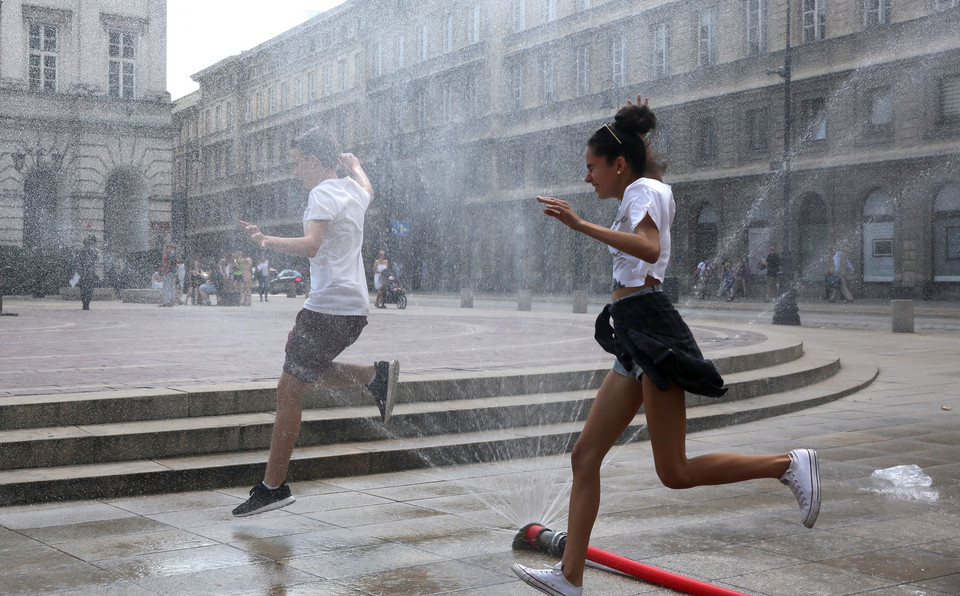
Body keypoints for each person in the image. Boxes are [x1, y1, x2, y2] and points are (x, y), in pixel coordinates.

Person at [511, 97, 820, 596]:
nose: (587, 179)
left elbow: (650, 248)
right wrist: (628, 125)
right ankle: (569, 577)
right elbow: (642, 225)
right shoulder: (643, 187)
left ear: (618, 164)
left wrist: (579, 225)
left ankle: (788, 464)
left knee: (673, 471)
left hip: (650, 326)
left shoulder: (642, 191)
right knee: (585, 456)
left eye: (591, 168)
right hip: (633, 330)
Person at [234, 128, 399, 517]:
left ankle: (272, 487)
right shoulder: (352, 191)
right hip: (352, 309)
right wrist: (356, 167)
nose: (295, 172)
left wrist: (265, 241)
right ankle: (374, 377)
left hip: (327, 306)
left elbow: (312, 245)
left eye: (296, 163)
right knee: (301, 377)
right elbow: (368, 190)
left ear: (312, 160)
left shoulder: (322, 192)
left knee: (289, 389)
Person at [76, 235, 98, 311]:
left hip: (83, 274)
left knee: (83, 290)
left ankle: (84, 303)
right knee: (89, 289)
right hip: (90, 273)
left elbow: (78, 262)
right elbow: (96, 259)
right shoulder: (93, 251)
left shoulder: (81, 251)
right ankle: (87, 303)